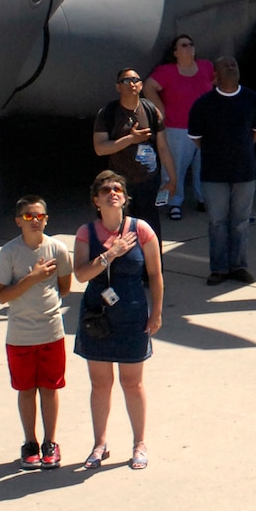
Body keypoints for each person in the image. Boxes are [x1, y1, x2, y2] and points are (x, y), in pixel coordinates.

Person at [73, 171, 163, 471]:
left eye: (118, 189)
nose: (113, 193)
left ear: (125, 197)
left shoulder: (142, 230)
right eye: (106, 190)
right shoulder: (87, 233)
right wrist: (109, 254)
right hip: (97, 314)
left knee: (132, 382)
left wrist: (157, 312)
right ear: (96, 201)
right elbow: (81, 274)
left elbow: (155, 274)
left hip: (132, 312)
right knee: (100, 384)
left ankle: (139, 443)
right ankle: (99, 444)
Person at [0, 195, 73, 470]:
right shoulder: (9, 253)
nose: (35, 220)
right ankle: (30, 443)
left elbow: (64, 287)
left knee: (50, 389)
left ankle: (51, 442)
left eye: (39, 215)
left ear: (47, 219)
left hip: (51, 332)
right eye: (28, 216)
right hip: (20, 336)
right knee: (26, 390)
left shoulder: (58, 249)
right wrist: (33, 278)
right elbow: (2, 296)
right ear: (18, 221)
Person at [185, 56, 256, 286]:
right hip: (213, 173)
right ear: (215, 75)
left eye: (235, 64)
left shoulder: (252, 99)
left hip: (245, 171)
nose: (232, 67)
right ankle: (219, 269)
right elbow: (196, 138)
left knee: (240, 221)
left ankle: (239, 266)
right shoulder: (204, 104)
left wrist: (240, 150)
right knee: (217, 222)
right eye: (226, 65)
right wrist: (218, 153)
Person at [91, 69, 172, 223]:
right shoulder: (108, 113)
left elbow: (163, 148)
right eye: (126, 81)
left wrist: (173, 179)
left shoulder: (151, 111)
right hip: (121, 183)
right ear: (118, 87)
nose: (132, 84)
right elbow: (100, 148)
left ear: (141, 85)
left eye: (135, 80)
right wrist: (130, 139)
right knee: (123, 228)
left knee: (149, 231)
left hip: (149, 181)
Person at [149, 34, 214, 218]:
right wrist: (160, 108)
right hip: (177, 128)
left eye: (191, 44)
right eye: (184, 45)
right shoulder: (167, 71)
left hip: (205, 128)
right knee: (174, 167)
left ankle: (203, 199)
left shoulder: (206, 67)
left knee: (204, 166)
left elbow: (216, 83)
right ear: (175, 52)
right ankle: (173, 203)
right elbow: (149, 87)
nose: (189, 47)